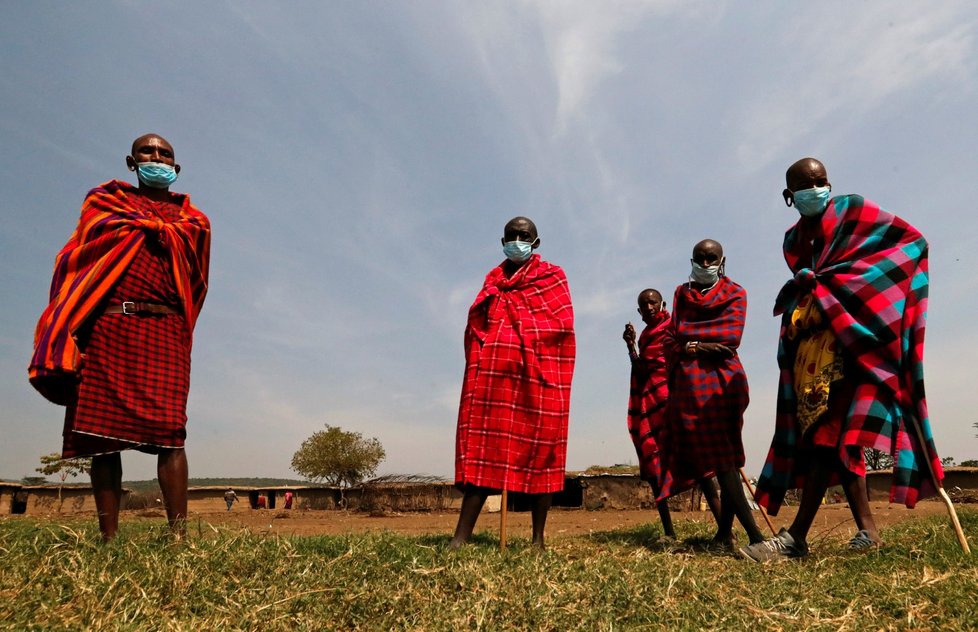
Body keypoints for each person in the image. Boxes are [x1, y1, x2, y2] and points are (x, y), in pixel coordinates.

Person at [741, 158, 942, 562]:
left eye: (821, 181)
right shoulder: (793, 241)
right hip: (812, 354)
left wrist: (847, 286)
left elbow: (912, 242)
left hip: (856, 342)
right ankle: (868, 531)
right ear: (789, 196)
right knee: (841, 441)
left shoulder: (852, 211)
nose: (816, 188)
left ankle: (796, 537)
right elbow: (810, 287)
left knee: (826, 437)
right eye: (805, 184)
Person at [29, 133, 210, 541]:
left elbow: (196, 281)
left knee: (171, 432)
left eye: (165, 154)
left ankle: (178, 536)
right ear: (132, 162)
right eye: (148, 151)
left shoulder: (194, 222)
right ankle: (109, 538)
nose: (157, 157)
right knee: (101, 437)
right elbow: (75, 261)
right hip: (110, 327)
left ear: (176, 169)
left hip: (166, 330)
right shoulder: (105, 205)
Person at [450, 216, 576, 549]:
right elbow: (477, 321)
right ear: (502, 240)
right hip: (494, 376)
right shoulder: (493, 279)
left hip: (540, 377)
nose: (517, 240)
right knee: (484, 448)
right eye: (512, 235)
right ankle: (461, 537)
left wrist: (522, 332)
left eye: (524, 235)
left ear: (536, 242)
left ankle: (537, 539)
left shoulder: (552, 276)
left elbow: (561, 326)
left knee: (542, 452)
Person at [658, 240, 765, 549]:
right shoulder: (681, 294)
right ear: (691, 260)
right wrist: (698, 346)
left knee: (725, 460)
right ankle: (724, 536)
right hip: (690, 388)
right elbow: (672, 338)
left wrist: (689, 344)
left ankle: (755, 538)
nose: (705, 263)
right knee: (722, 460)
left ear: (722, 261)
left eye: (711, 258)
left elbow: (730, 339)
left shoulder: (736, 294)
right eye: (699, 258)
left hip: (725, 384)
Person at [622, 289, 677, 538]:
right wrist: (631, 345)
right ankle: (669, 531)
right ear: (639, 312)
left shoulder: (676, 326)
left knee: (702, 465)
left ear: (662, 303)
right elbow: (643, 370)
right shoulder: (644, 338)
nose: (650, 307)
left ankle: (724, 531)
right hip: (653, 403)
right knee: (655, 465)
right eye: (644, 305)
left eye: (653, 302)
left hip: (677, 398)